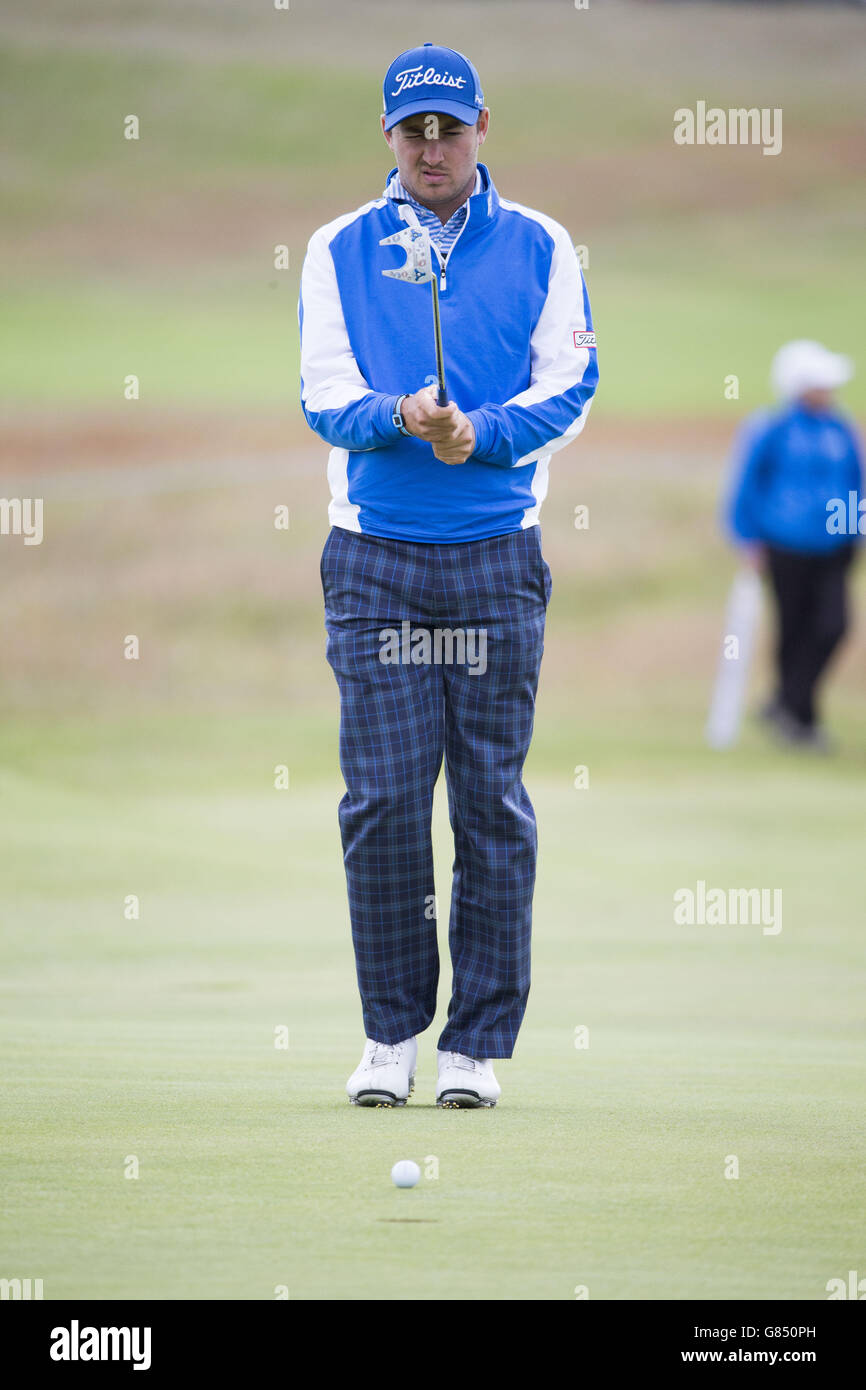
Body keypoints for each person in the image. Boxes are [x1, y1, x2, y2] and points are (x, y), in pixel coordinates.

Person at [298, 42, 598, 1107]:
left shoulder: (538, 243)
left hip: (493, 558)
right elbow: (322, 390)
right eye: (413, 129)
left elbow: (572, 380)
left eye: (449, 127)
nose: (432, 147)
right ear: (388, 136)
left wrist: (486, 433)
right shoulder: (339, 246)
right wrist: (397, 417)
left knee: (488, 806)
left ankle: (473, 1048)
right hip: (374, 557)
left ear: (480, 129)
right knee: (381, 801)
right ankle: (390, 1037)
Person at [726, 340, 862, 750]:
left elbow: (856, 483)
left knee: (833, 626)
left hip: (836, 547)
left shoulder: (841, 428)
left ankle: (785, 703)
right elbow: (746, 485)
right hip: (785, 547)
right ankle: (799, 718)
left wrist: (858, 529)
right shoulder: (772, 428)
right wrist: (746, 537)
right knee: (794, 629)